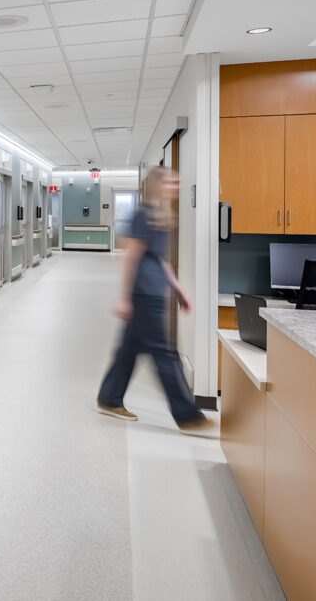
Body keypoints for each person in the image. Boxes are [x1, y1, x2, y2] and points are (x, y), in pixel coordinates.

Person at [96, 166, 212, 432]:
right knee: (165, 354)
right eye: (171, 183)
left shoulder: (162, 217)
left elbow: (159, 260)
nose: (175, 187)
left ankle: (109, 398)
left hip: (153, 292)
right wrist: (124, 298)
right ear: (158, 186)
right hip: (143, 294)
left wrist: (178, 289)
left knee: (128, 350)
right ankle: (189, 417)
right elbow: (131, 257)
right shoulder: (143, 215)